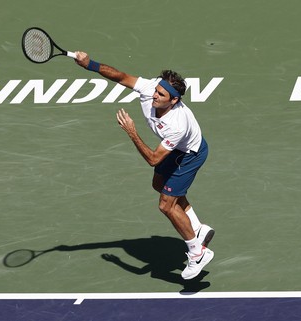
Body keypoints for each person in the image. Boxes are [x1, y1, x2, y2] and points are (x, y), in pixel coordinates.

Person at [74, 51, 214, 280]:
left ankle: (197, 252)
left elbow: (153, 159)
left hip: (189, 155)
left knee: (166, 205)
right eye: (156, 91)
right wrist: (90, 64)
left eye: (161, 95)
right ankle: (197, 227)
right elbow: (120, 76)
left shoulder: (176, 125)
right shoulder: (151, 89)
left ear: (174, 100)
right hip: (174, 150)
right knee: (159, 183)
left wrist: (131, 132)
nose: (154, 97)